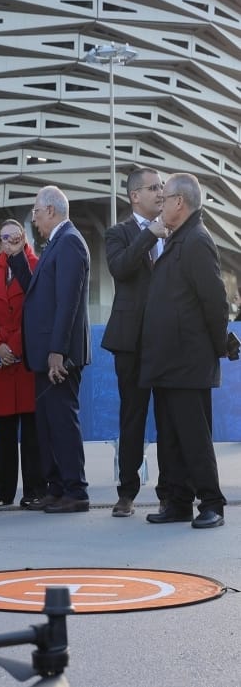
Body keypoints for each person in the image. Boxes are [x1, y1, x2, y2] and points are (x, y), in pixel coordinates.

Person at [140, 173, 228, 529]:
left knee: (194, 437)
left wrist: (215, 348)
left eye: (165, 198)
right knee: (171, 438)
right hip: (168, 361)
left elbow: (215, 302)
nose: (160, 204)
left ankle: (212, 503)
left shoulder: (197, 241)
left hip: (188, 361)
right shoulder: (179, 239)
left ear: (180, 202)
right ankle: (178, 503)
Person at [6, 186, 91, 513]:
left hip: (60, 356)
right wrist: (18, 257)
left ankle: (75, 490)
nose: (35, 219)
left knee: (62, 422)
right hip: (47, 355)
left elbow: (68, 302)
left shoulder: (69, 242)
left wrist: (57, 351)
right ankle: (56, 488)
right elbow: (38, 293)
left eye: (37, 212)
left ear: (51, 211)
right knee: (48, 424)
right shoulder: (57, 243)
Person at [101, 168, 169, 517]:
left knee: (170, 418)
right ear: (134, 196)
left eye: (163, 187)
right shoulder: (119, 233)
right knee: (133, 417)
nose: (161, 193)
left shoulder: (175, 232)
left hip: (168, 341)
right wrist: (149, 235)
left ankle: (169, 492)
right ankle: (126, 493)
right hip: (131, 342)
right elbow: (121, 268)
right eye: (153, 188)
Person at [0, 220, 45, 508]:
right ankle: (3, 490)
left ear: (24, 237)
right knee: (4, 432)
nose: (10, 241)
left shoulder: (36, 266)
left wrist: (14, 346)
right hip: (1, 364)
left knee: (31, 433)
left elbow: (36, 311)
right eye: (4, 237)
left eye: (15, 236)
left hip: (25, 363)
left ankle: (34, 490)